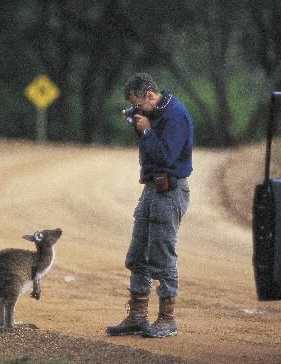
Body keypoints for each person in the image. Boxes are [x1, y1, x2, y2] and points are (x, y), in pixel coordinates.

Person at [106, 72, 193, 338]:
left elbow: (166, 155)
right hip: (151, 189)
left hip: (170, 190)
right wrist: (141, 127)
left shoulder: (174, 115)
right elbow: (151, 149)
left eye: (138, 104)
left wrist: (146, 131)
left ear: (150, 95)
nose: (137, 109)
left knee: (161, 255)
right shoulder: (156, 115)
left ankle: (167, 319)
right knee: (137, 254)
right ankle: (137, 317)